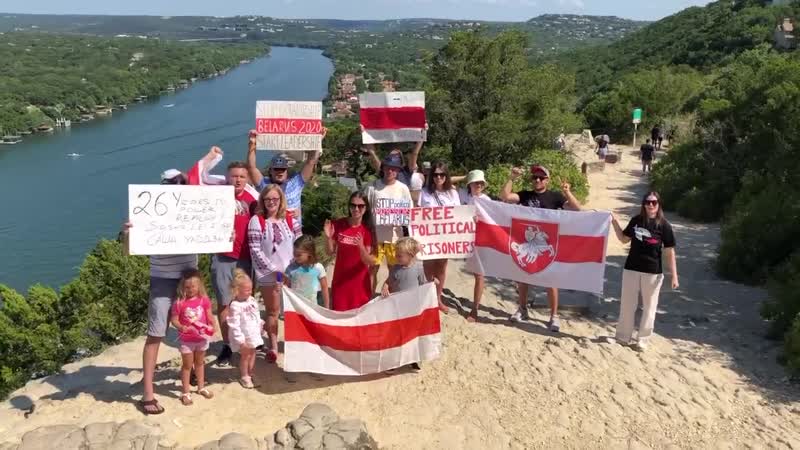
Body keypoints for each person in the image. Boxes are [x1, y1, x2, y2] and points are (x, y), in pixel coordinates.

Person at [120, 169, 197, 415]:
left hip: (189, 279)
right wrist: (128, 235)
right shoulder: (147, 212)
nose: (176, 188)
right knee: (156, 334)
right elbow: (128, 251)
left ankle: (191, 373)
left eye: (180, 184)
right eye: (172, 184)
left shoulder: (193, 212)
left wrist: (224, 235)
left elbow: (211, 238)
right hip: (163, 279)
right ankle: (148, 394)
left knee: (192, 327)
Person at [194, 146, 259, 367]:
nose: (238, 180)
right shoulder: (218, 188)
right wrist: (212, 156)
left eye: (242, 176)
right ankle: (228, 345)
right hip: (222, 256)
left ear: (247, 177)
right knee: (224, 303)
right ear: (227, 177)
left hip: (246, 258)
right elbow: (195, 178)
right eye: (234, 176)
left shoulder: (254, 198)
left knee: (246, 301)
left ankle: (247, 341)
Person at [499, 164, 582, 332]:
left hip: (548, 244)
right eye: (534, 177)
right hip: (528, 244)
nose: (537, 180)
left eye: (541, 177)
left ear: (547, 180)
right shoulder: (525, 195)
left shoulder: (555, 197)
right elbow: (505, 197)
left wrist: (567, 192)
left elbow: (577, 208)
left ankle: (554, 316)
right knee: (522, 278)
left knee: (551, 281)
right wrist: (511, 178)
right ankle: (522, 309)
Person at [609, 192, 679, 351]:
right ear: (643, 204)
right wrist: (614, 222)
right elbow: (623, 239)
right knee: (627, 304)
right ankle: (622, 337)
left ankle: (643, 339)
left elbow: (669, 252)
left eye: (654, 202)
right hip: (631, 268)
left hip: (653, 272)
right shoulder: (636, 221)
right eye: (647, 202)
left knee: (649, 306)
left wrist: (674, 275)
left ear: (659, 204)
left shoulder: (664, 226)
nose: (651, 205)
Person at [248, 184, 295, 364]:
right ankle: (273, 346)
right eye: (268, 199)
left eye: (275, 199)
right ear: (263, 201)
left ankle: (292, 343)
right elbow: (255, 250)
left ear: (280, 200)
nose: (271, 202)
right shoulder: (257, 221)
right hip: (269, 273)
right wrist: (275, 271)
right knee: (273, 310)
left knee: (290, 309)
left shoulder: (289, 219)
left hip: (290, 272)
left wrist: (291, 269)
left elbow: (298, 242)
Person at [246, 129, 323, 236]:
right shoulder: (264, 185)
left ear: (287, 171)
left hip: (294, 236)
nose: (280, 172)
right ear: (270, 171)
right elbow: (251, 167)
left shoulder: (296, 183)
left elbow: (310, 162)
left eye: (282, 169)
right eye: (276, 169)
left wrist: (316, 141)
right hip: (271, 235)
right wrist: (252, 143)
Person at [363, 153, 413, 293]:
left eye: (394, 168)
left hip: (395, 238)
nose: (390, 171)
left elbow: (409, 212)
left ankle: (392, 297)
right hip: (375, 238)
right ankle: (370, 297)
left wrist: (399, 220)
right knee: (372, 269)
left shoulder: (403, 188)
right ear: (383, 168)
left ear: (398, 171)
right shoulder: (372, 187)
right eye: (388, 167)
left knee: (394, 270)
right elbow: (366, 211)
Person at [418, 161, 460, 313]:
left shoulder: (453, 193)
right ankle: (426, 300)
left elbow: (459, 214)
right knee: (428, 268)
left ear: (446, 176)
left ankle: (438, 299)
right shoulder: (424, 192)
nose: (439, 177)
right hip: (428, 236)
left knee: (441, 268)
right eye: (435, 174)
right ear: (431, 176)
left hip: (445, 238)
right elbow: (418, 213)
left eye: (442, 174)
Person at [323, 192, 375, 311]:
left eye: (360, 206)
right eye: (353, 205)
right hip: (340, 281)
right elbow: (329, 252)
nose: (356, 209)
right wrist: (328, 238)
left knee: (358, 321)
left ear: (366, 208)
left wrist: (361, 246)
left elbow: (369, 261)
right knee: (339, 319)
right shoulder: (338, 224)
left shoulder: (367, 230)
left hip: (360, 284)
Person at [170, 269, 215, 406]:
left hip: (201, 338)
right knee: (187, 365)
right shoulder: (179, 303)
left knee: (200, 363)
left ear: (199, 286)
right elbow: (174, 319)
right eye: (187, 287)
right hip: (187, 340)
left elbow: (209, 315)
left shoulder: (204, 300)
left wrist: (212, 325)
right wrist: (180, 327)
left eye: (193, 286)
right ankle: (186, 392)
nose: (190, 289)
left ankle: (201, 387)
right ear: (182, 287)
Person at [458, 170, 491, 323]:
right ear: (469, 184)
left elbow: (492, 223)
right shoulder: (463, 195)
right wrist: (465, 177)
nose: (478, 185)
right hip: (464, 240)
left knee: (479, 275)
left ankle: (475, 308)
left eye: (480, 182)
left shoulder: (487, 200)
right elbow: (443, 183)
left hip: (480, 241)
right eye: (475, 182)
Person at [226, 269, 264, 389]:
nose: (250, 292)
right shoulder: (235, 305)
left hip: (253, 333)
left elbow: (256, 314)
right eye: (247, 290)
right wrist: (240, 340)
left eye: (251, 289)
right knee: (245, 356)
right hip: (244, 336)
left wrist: (260, 325)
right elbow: (234, 324)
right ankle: (244, 375)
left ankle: (250, 372)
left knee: (253, 354)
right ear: (237, 290)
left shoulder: (252, 300)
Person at [285, 235, 330, 308]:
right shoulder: (291, 268)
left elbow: (324, 288)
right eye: (294, 253)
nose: (295, 257)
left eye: (299, 255)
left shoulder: (318, 268)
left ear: (309, 253)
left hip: (311, 308)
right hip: (295, 307)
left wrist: (327, 307)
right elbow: (286, 289)